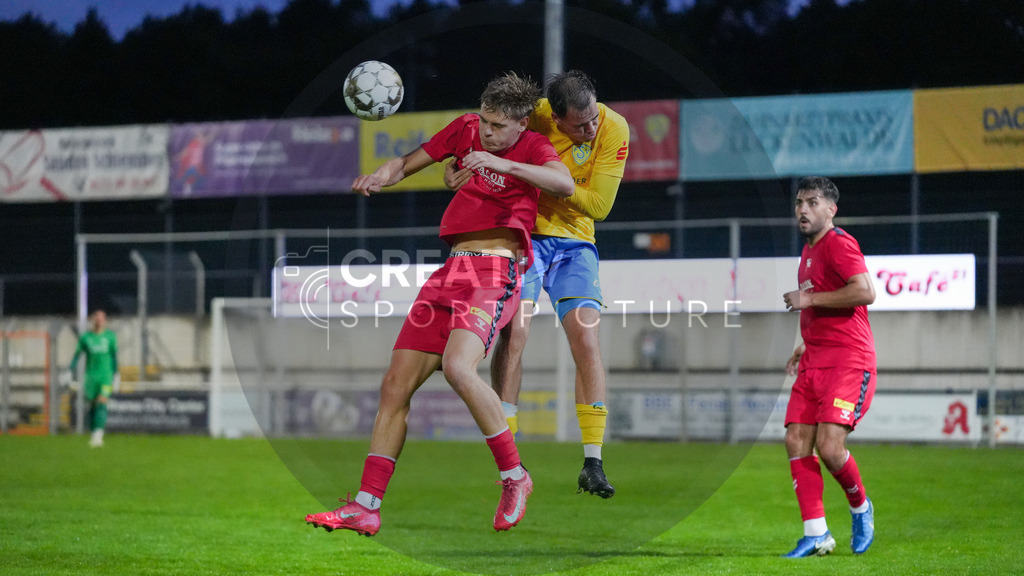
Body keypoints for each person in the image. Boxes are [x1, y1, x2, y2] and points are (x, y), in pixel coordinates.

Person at [304, 72, 574, 536]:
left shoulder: (533, 147)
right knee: (394, 385)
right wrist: (380, 177)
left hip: (495, 272)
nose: (487, 131)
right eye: (485, 121)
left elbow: (563, 184)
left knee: (457, 367)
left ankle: (515, 476)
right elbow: (407, 163)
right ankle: (367, 506)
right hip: (449, 272)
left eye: (498, 126)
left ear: (521, 123)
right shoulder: (465, 128)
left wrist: (502, 164)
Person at [446, 70, 629, 498]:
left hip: (576, 244)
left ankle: (593, 462)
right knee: (515, 334)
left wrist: (543, 178)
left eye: (593, 118)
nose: (591, 129)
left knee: (586, 338)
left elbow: (599, 206)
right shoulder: (534, 116)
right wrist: (454, 170)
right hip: (525, 236)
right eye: (580, 125)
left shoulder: (614, 127)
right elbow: (481, 141)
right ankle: (510, 461)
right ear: (555, 118)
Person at [781, 176, 877, 557]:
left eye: (812, 203)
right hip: (815, 361)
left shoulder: (839, 243)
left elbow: (865, 291)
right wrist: (805, 344)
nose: (803, 210)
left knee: (830, 447)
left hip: (848, 362)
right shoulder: (808, 252)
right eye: (799, 203)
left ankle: (860, 507)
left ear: (831, 210)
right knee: (795, 440)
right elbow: (828, 309)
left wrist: (808, 299)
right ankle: (816, 533)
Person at [67, 310, 120, 448]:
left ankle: (98, 435)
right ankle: (93, 433)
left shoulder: (110, 337)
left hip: (106, 376)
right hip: (91, 376)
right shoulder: (86, 338)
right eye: (97, 318)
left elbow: (114, 356)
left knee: (102, 402)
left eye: (102, 319)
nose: (99, 321)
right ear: (92, 320)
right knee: (92, 405)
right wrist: (70, 371)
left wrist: (116, 374)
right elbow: (77, 355)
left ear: (105, 321)